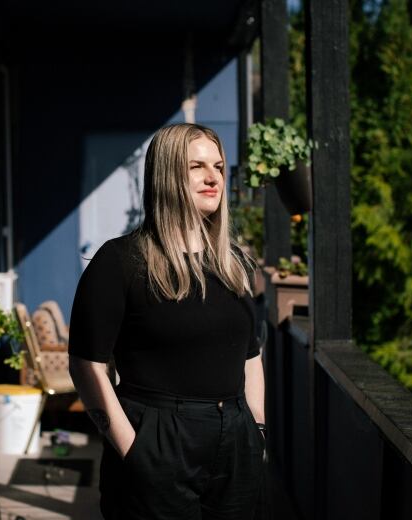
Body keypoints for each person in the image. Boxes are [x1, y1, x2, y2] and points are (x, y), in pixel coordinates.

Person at [68, 123, 266, 520]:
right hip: (157, 435)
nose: (213, 178)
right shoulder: (121, 261)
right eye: (197, 166)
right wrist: (133, 450)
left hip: (236, 441)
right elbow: (87, 364)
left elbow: (251, 356)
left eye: (219, 166)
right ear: (167, 174)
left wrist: (258, 432)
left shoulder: (236, 265)